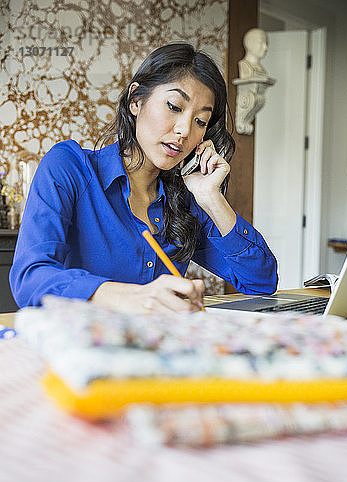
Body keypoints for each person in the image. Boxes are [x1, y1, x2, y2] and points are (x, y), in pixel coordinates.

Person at [10, 43, 278, 313]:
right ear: (136, 101)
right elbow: (30, 279)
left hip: (155, 349)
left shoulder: (186, 199)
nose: (184, 130)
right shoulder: (69, 166)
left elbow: (261, 281)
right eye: (174, 106)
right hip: (78, 348)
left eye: (200, 121)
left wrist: (212, 197)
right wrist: (127, 297)